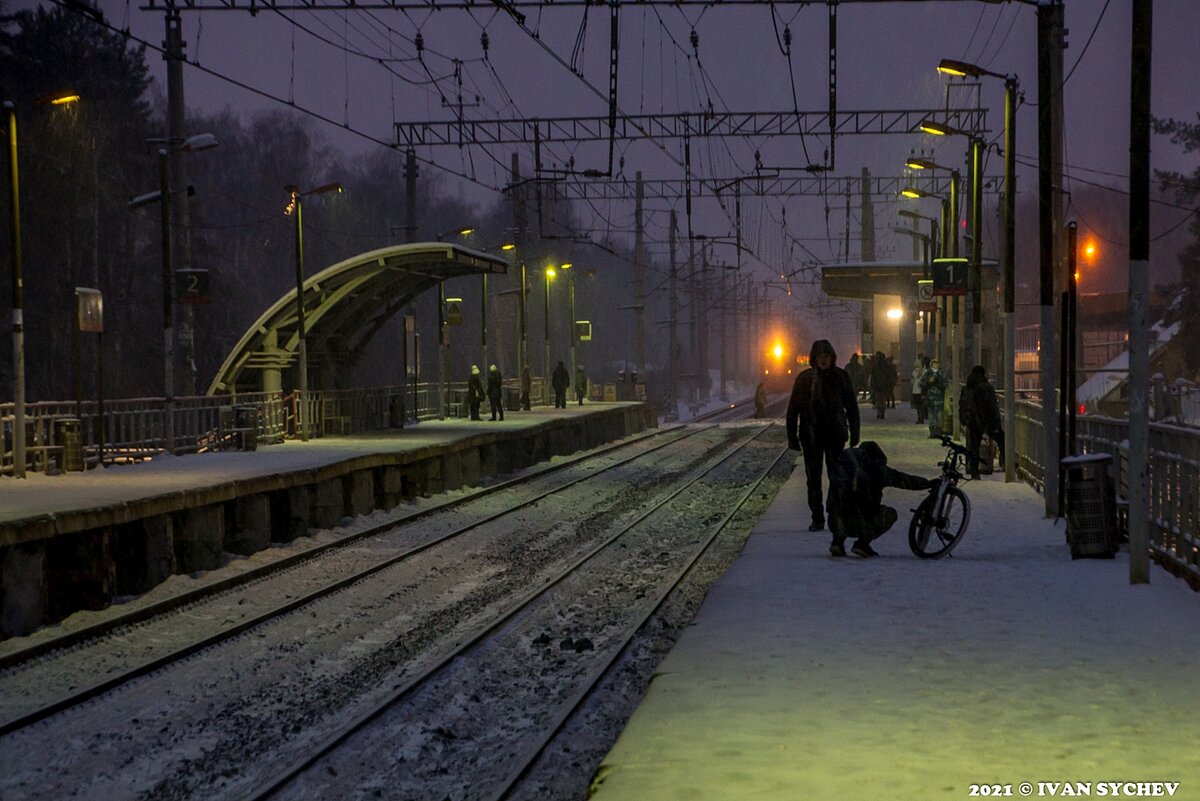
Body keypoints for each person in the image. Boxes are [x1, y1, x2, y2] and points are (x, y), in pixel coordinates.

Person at [786, 339, 860, 532]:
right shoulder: (805, 379)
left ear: (831, 357)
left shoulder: (840, 377)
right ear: (815, 358)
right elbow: (793, 409)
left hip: (834, 434)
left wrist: (855, 432)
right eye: (820, 356)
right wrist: (792, 436)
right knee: (813, 478)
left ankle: (834, 514)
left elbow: (851, 406)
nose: (823, 360)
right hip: (811, 436)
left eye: (826, 356)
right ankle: (817, 517)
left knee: (836, 477)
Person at [826, 441, 940, 557]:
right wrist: (928, 484)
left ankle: (837, 542)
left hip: (834, 521)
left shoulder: (843, 462)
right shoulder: (877, 469)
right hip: (861, 521)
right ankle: (862, 543)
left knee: (841, 505)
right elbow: (904, 480)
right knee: (890, 514)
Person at [959, 364, 1005, 479]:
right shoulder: (986, 387)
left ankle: (974, 471)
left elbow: (962, 405)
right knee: (1002, 440)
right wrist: (996, 424)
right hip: (987, 421)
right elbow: (992, 407)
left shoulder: (967, 388)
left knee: (974, 446)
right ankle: (1004, 462)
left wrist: (964, 420)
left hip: (972, 421)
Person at [920, 359, 948, 438]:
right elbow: (922, 384)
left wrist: (937, 382)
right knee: (931, 416)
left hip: (939, 398)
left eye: (937, 364)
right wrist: (929, 382)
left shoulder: (941, 374)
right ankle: (932, 432)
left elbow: (945, 384)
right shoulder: (928, 373)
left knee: (939, 416)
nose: (936, 365)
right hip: (930, 398)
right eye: (934, 364)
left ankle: (938, 432)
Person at [869, 350, 890, 420]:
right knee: (883, 401)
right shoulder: (886, 366)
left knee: (878, 401)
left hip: (877, 386)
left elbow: (873, 377)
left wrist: (872, 385)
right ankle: (882, 413)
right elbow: (888, 376)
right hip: (884, 386)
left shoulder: (875, 366)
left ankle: (879, 412)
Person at [911, 356, 930, 424]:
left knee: (919, 406)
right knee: (919, 406)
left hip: (918, 391)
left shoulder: (923, 372)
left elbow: (913, 382)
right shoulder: (919, 372)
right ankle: (920, 418)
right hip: (917, 391)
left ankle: (920, 419)